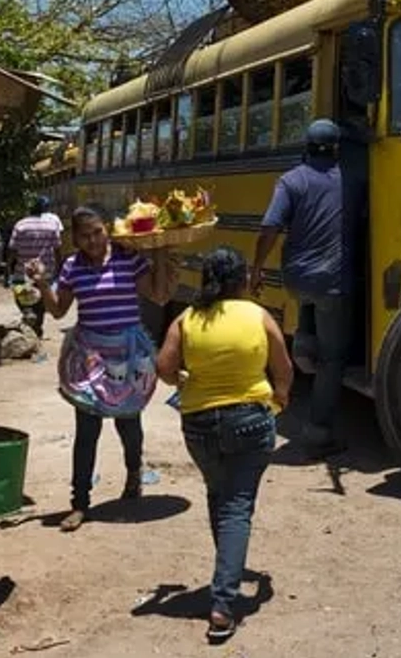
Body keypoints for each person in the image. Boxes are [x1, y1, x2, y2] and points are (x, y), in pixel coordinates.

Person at [157, 246, 292, 644]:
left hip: (199, 425)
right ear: (240, 280)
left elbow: (164, 368)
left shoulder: (187, 319)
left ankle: (225, 572)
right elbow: (283, 368)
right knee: (237, 507)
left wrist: (182, 379)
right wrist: (280, 399)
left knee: (219, 496)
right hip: (251, 420)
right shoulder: (258, 316)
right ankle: (223, 602)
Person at [28, 204, 176, 532]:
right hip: (89, 358)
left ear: (107, 229)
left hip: (128, 356)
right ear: (75, 239)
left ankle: (134, 473)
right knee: (87, 432)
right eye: (85, 236)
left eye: (97, 232)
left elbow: (158, 294)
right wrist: (42, 283)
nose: (93, 241)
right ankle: (79, 503)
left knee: (129, 424)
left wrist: (161, 252)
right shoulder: (72, 267)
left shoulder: (129, 259)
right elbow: (58, 311)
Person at [251, 118, 350, 459]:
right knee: (333, 358)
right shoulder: (349, 180)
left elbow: (269, 227)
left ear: (306, 147)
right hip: (332, 281)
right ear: (336, 149)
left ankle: (304, 350)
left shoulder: (291, 180)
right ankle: (319, 432)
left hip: (297, 278)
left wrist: (257, 268)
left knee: (308, 309)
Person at [7, 195, 64, 337]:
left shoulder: (20, 225)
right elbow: (57, 249)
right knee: (41, 302)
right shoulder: (52, 225)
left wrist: (8, 268)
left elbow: (12, 250)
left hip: (22, 272)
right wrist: (58, 267)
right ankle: (37, 326)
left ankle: (29, 316)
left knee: (22, 298)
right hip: (45, 272)